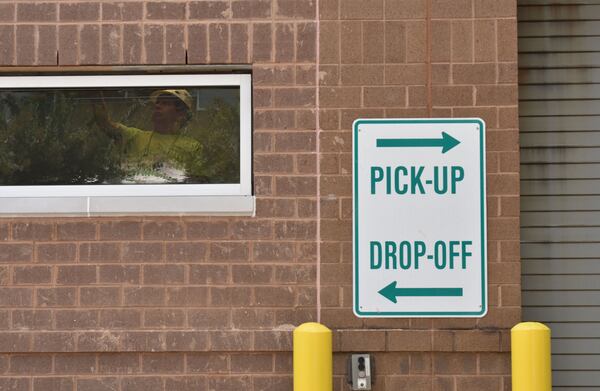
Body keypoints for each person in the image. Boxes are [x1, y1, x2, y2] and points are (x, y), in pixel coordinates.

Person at [94, 89, 204, 183]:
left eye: (165, 103)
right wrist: (94, 90)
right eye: (157, 102)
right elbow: (104, 123)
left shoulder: (193, 146)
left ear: (181, 114)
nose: (157, 106)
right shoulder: (134, 136)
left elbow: (198, 181)